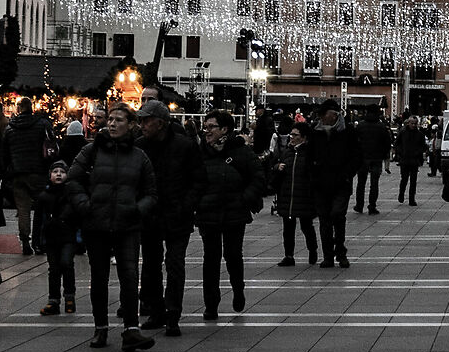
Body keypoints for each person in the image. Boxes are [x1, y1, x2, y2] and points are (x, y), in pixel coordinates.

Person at [65, 104, 157, 351]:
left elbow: (151, 192)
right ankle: (101, 328)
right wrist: (85, 205)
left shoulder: (139, 156)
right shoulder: (91, 150)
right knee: (99, 278)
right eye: (111, 120)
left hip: (128, 225)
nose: (113, 124)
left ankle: (131, 329)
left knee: (129, 276)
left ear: (131, 124)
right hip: (97, 223)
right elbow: (72, 179)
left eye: (119, 120)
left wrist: (137, 209)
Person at [135, 99, 206, 337]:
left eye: (146, 120)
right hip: (151, 215)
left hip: (178, 214)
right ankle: (157, 312)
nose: (142, 124)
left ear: (161, 123)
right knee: (152, 265)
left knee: (175, 264)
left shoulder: (185, 146)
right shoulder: (140, 146)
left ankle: (173, 314)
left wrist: (187, 205)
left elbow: (198, 179)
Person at [196, 110, 262, 317]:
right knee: (211, 258)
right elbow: (192, 179)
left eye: (211, 127)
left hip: (234, 212)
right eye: (205, 127)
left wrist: (244, 198)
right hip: (208, 212)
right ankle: (211, 304)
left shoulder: (241, 152)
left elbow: (258, 177)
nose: (206, 131)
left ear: (224, 129)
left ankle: (238, 290)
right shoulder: (200, 152)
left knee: (233, 255)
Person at [2, 98, 53, 257]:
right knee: (41, 209)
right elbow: (51, 145)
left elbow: (4, 153)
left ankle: (25, 241)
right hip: (38, 172)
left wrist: (8, 171)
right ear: (32, 108)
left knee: (23, 210)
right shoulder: (42, 124)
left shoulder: (10, 128)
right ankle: (39, 242)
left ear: (18, 108)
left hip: (18, 173)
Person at [310, 100, 357, 267]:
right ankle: (328, 256)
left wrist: (347, 175)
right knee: (324, 220)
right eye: (325, 113)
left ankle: (341, 251)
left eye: (334, 113)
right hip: (320, 184)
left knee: (338, 215)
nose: (323, 117)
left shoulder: (347, 131)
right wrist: (313, 175)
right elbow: (309, 156)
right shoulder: (314, 132)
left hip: (341, 183)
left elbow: (355, 155)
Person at [274, 121, 325, 265]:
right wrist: (277, 167)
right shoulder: (287, 151)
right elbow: (275, 165)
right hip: (287, 195)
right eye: (291, 134)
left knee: (306, 226)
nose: (291, 137)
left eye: (295, 135)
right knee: (288, 228)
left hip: (304, 196)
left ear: (304, 138)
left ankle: (312, 250)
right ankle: (289, 255)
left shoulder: (309, 153)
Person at [36, 155, 81, 316]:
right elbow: (38, 220)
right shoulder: (44, 196)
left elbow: (78, 218)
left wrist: (80, 239)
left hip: (68, 236)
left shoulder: (71, 195)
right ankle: (53, 299)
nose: (59, 174)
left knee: (66, 264)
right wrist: (37, 240)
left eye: (62, 171)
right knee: (54, 268)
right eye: (55, 171)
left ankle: (69, 296)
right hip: (51, 237)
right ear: (50, 175)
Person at [352, 106, 392, 213]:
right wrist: (383, 154)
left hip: (363, 158)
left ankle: (359, 205)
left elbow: (354, 142)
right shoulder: (381, 126)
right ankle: (372, 206)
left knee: (361, 183)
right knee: (374, 184)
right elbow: (387, 142)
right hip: (377, 158)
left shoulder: (360, 126)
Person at [392, 112, 428, 205]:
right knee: (404, 179)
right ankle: (401, 194)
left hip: (414, 160)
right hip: (404, 159)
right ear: (408, 123)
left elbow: (423, 146)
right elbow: (397, 143)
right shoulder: (403, 132)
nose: (413, 125)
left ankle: (412, 199)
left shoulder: (419, 134)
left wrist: (418, 153)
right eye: (412, 123)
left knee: (413, 181)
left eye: (415, 123)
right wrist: (400, 152)